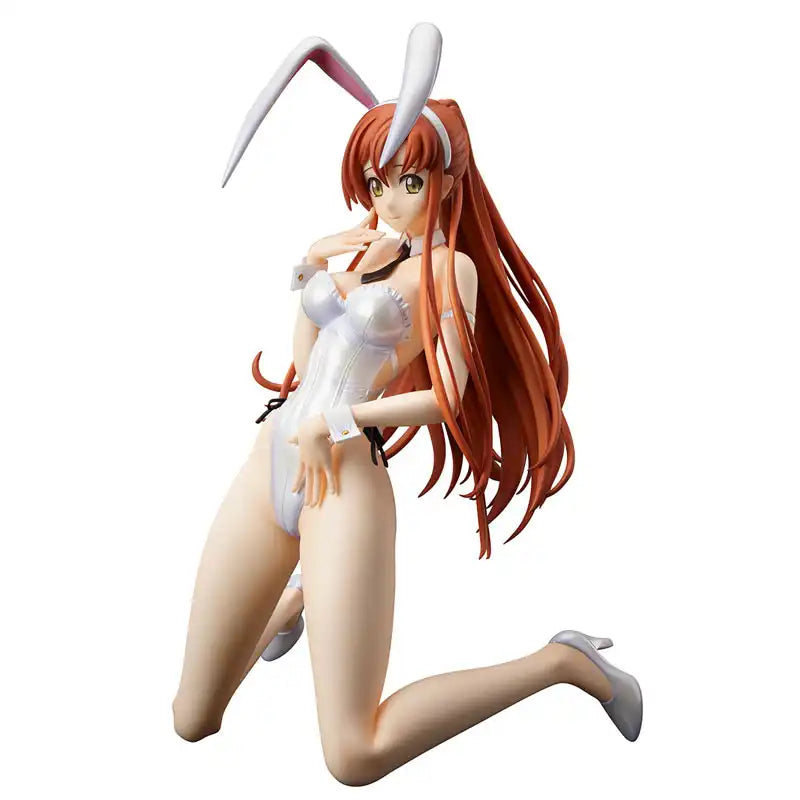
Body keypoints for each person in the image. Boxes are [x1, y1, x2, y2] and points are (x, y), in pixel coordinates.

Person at [172, 23, 642, 786]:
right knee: (192, 720)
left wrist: (340, 420)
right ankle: (297, 600)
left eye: (410, 183)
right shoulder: (363, 248)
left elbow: (450, 396)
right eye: (377, 182)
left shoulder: (451, 270)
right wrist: (310, 270)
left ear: (448, 181)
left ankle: (562, 663)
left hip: (344, 482)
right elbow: (306, 367)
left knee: (353, 755)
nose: (389, 200)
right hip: (272, 460)